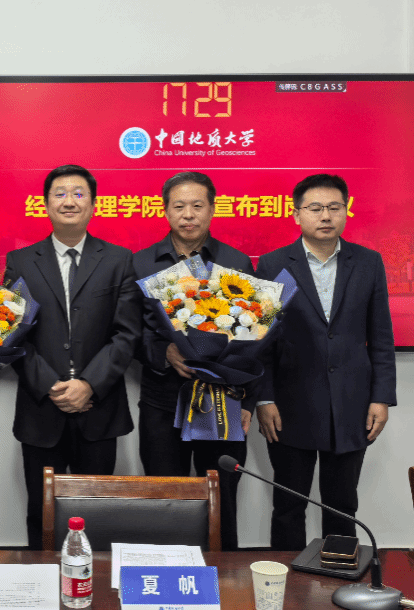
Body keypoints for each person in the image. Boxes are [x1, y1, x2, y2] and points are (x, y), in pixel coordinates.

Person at [254, 173, 396, 551]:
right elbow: (261, 343)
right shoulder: (272, 265)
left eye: (334, 207)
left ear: (346, 212)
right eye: (315, 208)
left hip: (351, 405)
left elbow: (381, 338)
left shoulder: (368, 263)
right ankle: (285, 580)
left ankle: (339, 575)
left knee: (342, 506)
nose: (326, 216)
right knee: (289, 506)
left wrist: (381, 397)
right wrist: (264, 398)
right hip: (289, 406)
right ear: (296, 214)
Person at [4, 164, 141, 549]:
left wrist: (89, 384)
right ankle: (41, 580)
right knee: (41, 512)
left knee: (95, 513)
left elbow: (127, 333)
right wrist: (51, 385)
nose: (69, 201)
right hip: (41, 410)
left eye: (79, 193)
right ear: (45, 204)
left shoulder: (118, 259)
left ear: (94, 204)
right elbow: (11, 332)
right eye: (60, 193)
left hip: (98, 410)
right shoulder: (21, 261)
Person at [132, 171, 254, 551]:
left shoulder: (236, 262)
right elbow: (127, 333)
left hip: (222, 401)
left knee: (221, 501)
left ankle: (225, 578)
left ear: (213, 209)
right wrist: (164, 352)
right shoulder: (141, 263)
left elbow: (254, 339)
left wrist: (248, 402)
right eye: (179, 206)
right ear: (166, 210)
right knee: (165, 500)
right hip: (162, 400)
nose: (188, 214)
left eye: (197, 206)